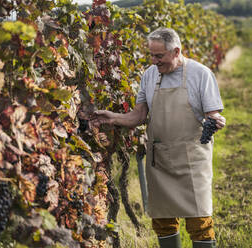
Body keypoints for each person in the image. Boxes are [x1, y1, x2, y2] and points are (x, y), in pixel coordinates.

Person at [91, 27, 225, 248]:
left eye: (159, 56)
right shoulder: (150, 75)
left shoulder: (200, 75)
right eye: (151, 55)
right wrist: (113, 118)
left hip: (192, 160)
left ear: (176, 51)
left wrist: (217, 120)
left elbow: (213, 116)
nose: (154, 61)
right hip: (160, 160)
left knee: (199, 220)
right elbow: (139, 116)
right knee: (162, 221)